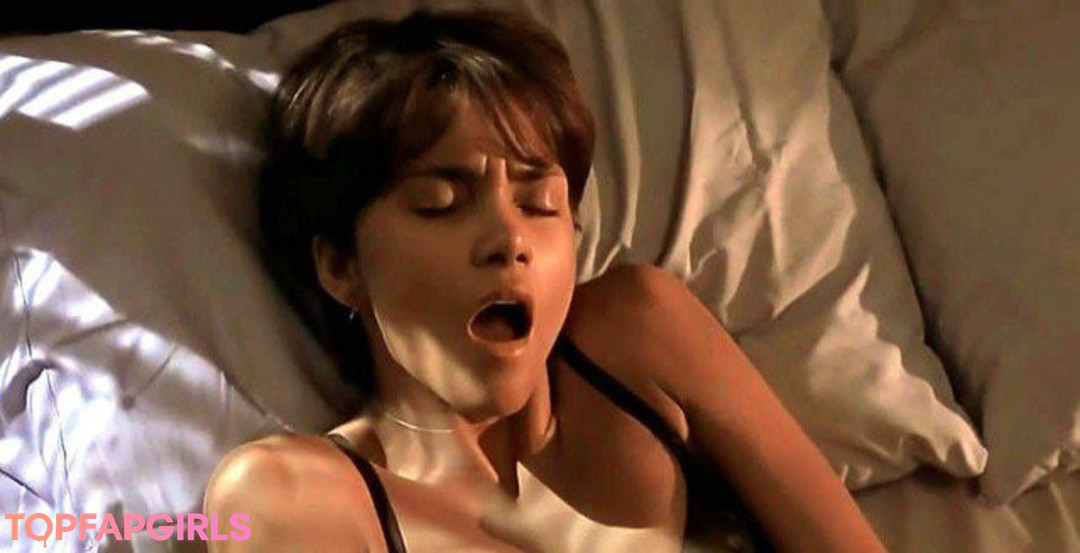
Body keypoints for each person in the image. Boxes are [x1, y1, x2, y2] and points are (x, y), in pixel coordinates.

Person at [203, 8, 888, 553]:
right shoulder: (292, 493)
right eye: (440, 203)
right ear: (341, 265)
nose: (511, 240)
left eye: (539, 203)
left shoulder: (637, 330)